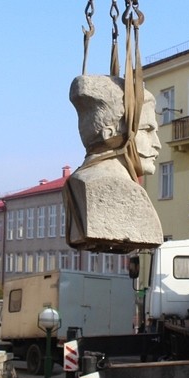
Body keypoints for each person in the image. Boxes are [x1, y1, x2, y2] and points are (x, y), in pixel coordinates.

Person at [64, 74, 163, 251]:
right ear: (109, 133)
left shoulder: (75, 181)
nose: (157, 144)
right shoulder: (118, 188)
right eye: (147, 130)